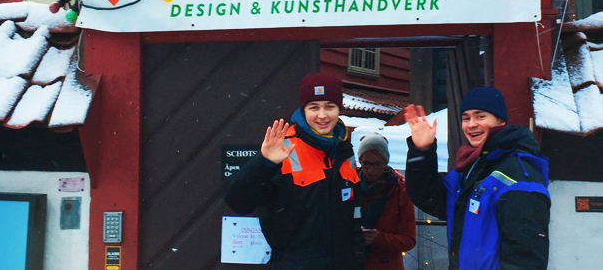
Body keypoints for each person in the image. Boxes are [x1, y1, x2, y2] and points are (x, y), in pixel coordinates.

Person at [224, 72, 364, 270]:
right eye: (314, 107)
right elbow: (239, 202)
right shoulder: (283, 148)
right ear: (303, 110)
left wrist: (357, 260)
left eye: (329, 107)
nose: (322, 115)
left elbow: (354, 217)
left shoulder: (344, 150)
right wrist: (263, 163)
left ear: (338, 110)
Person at [404, 86, 550, 270]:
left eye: (480, 116)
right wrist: (422, 151)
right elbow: (430, 197)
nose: (471, 124)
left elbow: (526, 259)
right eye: (466, 118)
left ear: (500, 120)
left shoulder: (519, 174)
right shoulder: (471, 167)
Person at [357, 133, 415, 270]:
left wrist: (379, 238)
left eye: (377, 164)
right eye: (366, 164)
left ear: (385, 162)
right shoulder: (349, 188)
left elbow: (409, 240)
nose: (370, 170)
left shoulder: (400, 191)